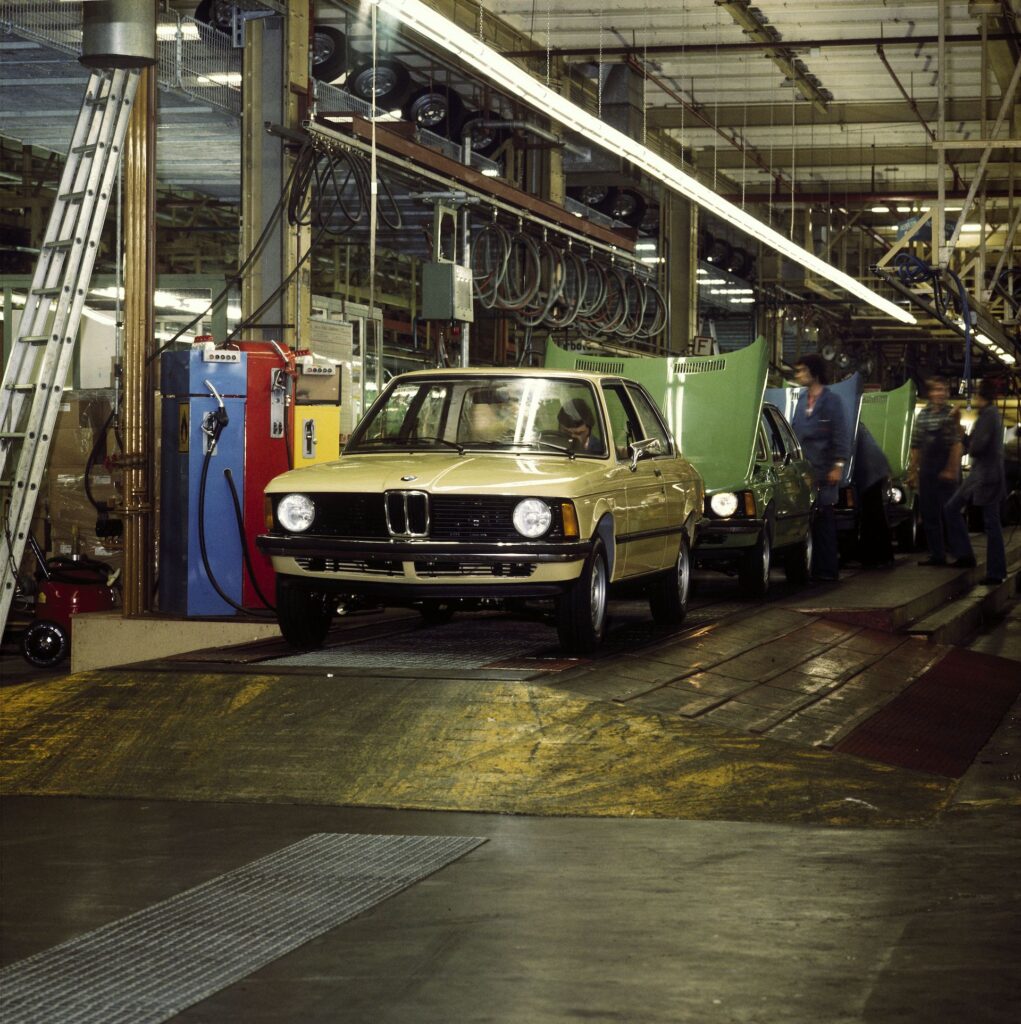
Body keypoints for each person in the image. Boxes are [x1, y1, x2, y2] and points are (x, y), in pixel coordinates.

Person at [791, 354, 851, 582]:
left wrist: (838, 465)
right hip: (806, 470)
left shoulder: (832, 401)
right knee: (810, 522)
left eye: (802, 370)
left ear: (814, 372)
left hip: (826, 469)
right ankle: (814, 568)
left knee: (824, 519)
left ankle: (827, 570)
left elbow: (841, 434)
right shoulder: (802, 400)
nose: (798, 375)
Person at [944, 378, 1008, 584]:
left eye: (975, 394)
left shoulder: (988, 416)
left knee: (989, 524)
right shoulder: (989, 415)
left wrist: (959, 426)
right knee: (986, 521)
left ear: (981, 396)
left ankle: (994, 571)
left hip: (985, 476)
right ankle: (970, 557)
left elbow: (976, 447)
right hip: (984, 475)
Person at [907, 375, 970, 567]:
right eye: (935, 390)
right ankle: (937, 555)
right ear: (930, 393)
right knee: (929, 514)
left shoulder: (951, 414)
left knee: (951, 512)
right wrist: (913, 471)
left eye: (942, 390)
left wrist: (951, 470)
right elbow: (916, 445)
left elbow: (957, 444)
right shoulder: (923, 415)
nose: (938, 393)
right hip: (927, 471)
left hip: (946, 470)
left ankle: (963, 555)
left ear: (946, 393)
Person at [853, 423, 895, 568]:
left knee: (872, 515)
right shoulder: (854, 419)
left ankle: (875, 557)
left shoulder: (846, 420)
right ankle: (881, 556)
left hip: (870, 470)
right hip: (875, 467)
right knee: (874, 514)